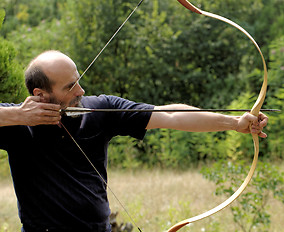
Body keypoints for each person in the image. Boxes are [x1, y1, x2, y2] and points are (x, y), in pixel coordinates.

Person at [0, 50, 268, 232]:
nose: (81, 91)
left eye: (78, 81)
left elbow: (171, 115)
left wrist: (233, 123)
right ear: (40, 94)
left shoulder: (99, 110)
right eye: (70, 87)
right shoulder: (16, 124)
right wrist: (17, 115)